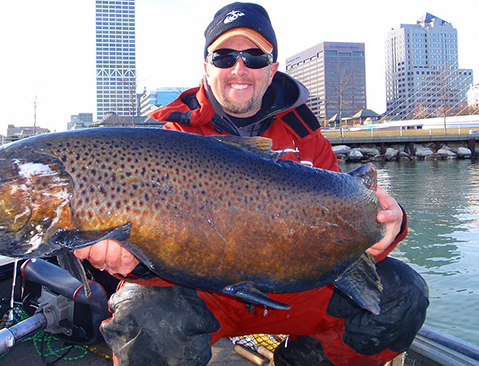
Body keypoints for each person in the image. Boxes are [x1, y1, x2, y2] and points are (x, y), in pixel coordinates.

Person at [75, 3, 429, 365]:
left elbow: (342, 229)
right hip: (202, 293)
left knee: (404, 294)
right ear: (206, 67)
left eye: (255, 57)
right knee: (141, 316)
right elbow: (155, 259)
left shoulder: (308, 137)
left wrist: (391, 225)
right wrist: (132, 261)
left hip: (294, 289)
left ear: (272, 69)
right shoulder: (172, 141)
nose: (239, 68)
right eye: (224, 56)